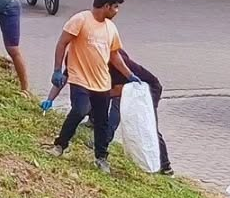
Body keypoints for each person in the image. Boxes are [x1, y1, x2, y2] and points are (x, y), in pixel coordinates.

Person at [39, 50, 174, 176]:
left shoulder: (114, 61)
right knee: (93, 101)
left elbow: (119, 90)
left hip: (142, 87)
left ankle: (165, 167)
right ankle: (90, 135)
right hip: (113, 85)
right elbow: (65, 77)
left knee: (147, 126)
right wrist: (50, 99)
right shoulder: (78, 55)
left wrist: (99, 95)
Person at [48, 0, 137, 174]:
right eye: (115, 7)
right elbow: (62, 42)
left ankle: (101, 157)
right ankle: (60, 145)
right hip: (79, 77)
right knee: (79, 109)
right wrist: (57, 69)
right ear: (106, 6)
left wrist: (129, 75)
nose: (117, 11)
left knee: (102, 121)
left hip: (102, 82)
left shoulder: (111, 28)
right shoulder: (80, 20)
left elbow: (114, 55)